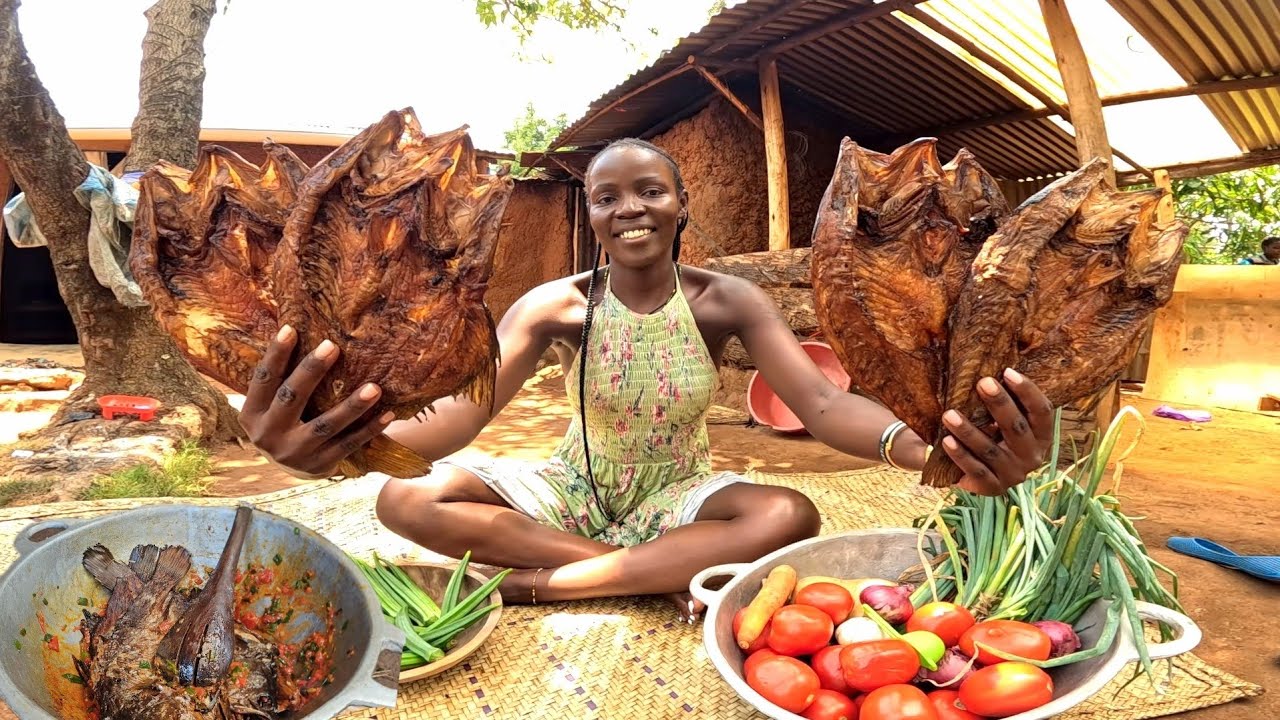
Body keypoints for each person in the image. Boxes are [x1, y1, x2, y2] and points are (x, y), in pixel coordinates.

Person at [239, 138, 1056, 622]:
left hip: (677, 492)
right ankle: (628, 571)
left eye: (649, 191)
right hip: (572, 486)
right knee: (403, 498)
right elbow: (460, 419)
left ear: (679, 204)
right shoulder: (552, 307)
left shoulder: (726, 301)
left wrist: (933, 453)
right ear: (590, 213)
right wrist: (344, 447)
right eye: (607, 198)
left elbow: (820, 400)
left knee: (785, 510)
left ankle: (540, 587)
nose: (629, 208)